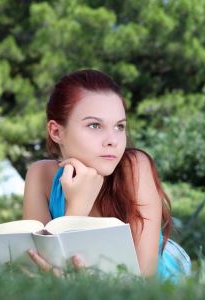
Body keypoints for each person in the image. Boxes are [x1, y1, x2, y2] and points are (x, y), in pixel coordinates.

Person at [22, 69, 190, 281]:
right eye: (94, 125)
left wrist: (76, 278)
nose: (113, 140)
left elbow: (143, 278)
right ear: (56, 132)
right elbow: (41, 267)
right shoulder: (41, 175)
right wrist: (78, 207)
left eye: (119, 126)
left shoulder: (135, 167)